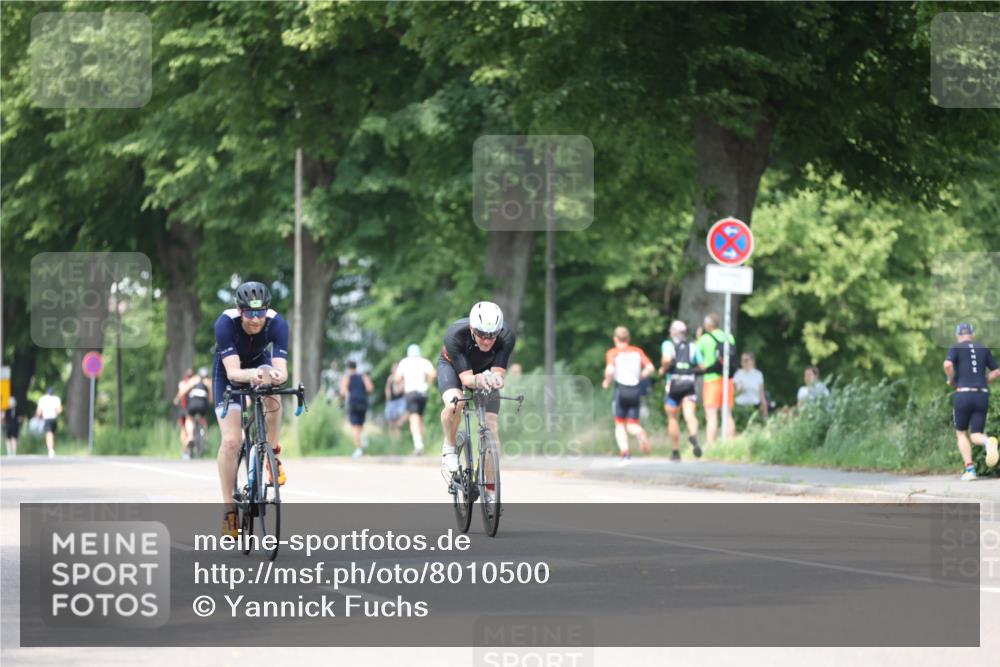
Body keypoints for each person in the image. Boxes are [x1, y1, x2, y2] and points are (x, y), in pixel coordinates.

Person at [213, 281, 289, 538]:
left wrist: (271, 376)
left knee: (275, 393)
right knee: (233, 441)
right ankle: (229, 512)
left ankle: (272, 455)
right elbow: (234, 372)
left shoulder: (277, 323)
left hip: (259, 364)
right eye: (249, 313)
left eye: (260, 313)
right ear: (239, 309)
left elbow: (282, 372)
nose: (256, 320)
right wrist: (252, 375)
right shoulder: (225, 323)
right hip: (228, 374)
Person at [438, 301, 515, 510]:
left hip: (484, 372)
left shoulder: (507, 336)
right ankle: (450, 447)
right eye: (482, 334)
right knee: (455, 405)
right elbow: (467, 380)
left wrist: (497, 380)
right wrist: (480, 379)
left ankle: (490, 491)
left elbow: (499, 371)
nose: (488, 340)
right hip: (454, 369)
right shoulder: (455, 335)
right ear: (472, 329)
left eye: (492, 335)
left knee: (491, 427)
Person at [943, 322, 1000, 481]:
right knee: (976, 434)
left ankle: (970, 470)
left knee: (961, 433)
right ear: (972, 334)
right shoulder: (983, 348)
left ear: (958, 335)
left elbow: (947, 365)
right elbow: (996, 372)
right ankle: (988, 441)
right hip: (982, 394)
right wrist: (983, 380)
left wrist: (951, 379)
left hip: (964, 394)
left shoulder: (956, 347)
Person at [603, 326, 654, 464]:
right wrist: (641, 376)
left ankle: (625, 455)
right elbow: (650, 368)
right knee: (632, 424)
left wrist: (607, 381)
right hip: (635, 389)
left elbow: (609, 370)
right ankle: (639, 432)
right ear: (628, 339)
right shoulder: (637, 351)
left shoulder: (613, 353)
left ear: (615, 339)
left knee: (619, 424)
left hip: (622, 390)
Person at [659, 320, 703, 461]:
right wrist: (690, 370)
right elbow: (702, 366)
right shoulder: (692, 346)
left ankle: (675, 451)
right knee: (689, 414)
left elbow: (666, 359)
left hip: (674, 384)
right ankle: (693, 434)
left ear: (673, 332)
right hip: (689, 383)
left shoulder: (668, 344)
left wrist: (663, 369)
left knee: (673, 417)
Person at [696, 313, 735, 443]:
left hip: (712, 380)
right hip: (727, 379)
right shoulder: (728, 336)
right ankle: (730, 445)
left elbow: (694, 352)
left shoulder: (705, 338)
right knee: (727, 414)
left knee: (711, 415)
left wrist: (698, 337)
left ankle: (711, 445)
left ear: (708, 325)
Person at [395, 344, 436, 455]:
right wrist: (428, 384)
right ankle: (422, 443)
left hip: (411, 393)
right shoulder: (424, 361)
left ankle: (418, 445)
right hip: (423, 393)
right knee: (420, 417)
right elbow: (433, 373)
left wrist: (404, 381)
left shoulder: (404, 362)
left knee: (413, 418)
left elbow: (397, 378)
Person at [174, 367, 212, 459]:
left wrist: (177, 399)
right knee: (203, 419)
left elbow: (184, 391)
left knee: (190, 418)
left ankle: (190, 436)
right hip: (203, 405)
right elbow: (211, 399)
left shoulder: (194, 380)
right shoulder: (209, 382)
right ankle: (205, 439)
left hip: (193, 403)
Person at [340, 360, 374, 458]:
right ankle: (363, 442)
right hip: (363, 402)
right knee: (361, 424)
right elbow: (370, 388)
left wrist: (343, 398)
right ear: (356, 367)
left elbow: (343, 392)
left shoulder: (347, 377)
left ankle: (358, 449)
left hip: (353, 402)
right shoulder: (363, 377)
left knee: (355, 426)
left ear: (348, 368)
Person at [733, 352, 768, 425]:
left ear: (752, 361)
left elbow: (761, 393)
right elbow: (733, 394)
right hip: (740, 407)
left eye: (746, 360)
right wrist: (740, 390)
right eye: (742, 360)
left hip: (754, 407)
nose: (744, 362)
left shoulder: (758, 374)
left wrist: (764, 408)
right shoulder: (737, 374)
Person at [35, 387, 62, 459]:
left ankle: (50, 449)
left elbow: (39, 410)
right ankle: (51, 449)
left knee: (48, 434)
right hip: (54, 418)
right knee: (52, 433)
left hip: (47, 418)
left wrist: (37, 418)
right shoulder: (56, 399)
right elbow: (59, 410)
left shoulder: (43, 399)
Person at [383, 363, 408, 438]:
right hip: (391, 401)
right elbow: (387, 388)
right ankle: (392, 439)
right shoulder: (390, 378)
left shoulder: (402, 378)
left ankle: (398, 437)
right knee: (391, 421)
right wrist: (388, 396)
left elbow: (399, 390)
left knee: (398, 420)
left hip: (400, 400)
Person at [173, 368, 194, 451]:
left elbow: (180, 393)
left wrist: (176, 399)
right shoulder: (194, 382)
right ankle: (189, 441)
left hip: (184, 407)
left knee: (183, 428)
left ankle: (184, 449)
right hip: (190, 407)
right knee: (187, 424)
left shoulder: (182, 383)